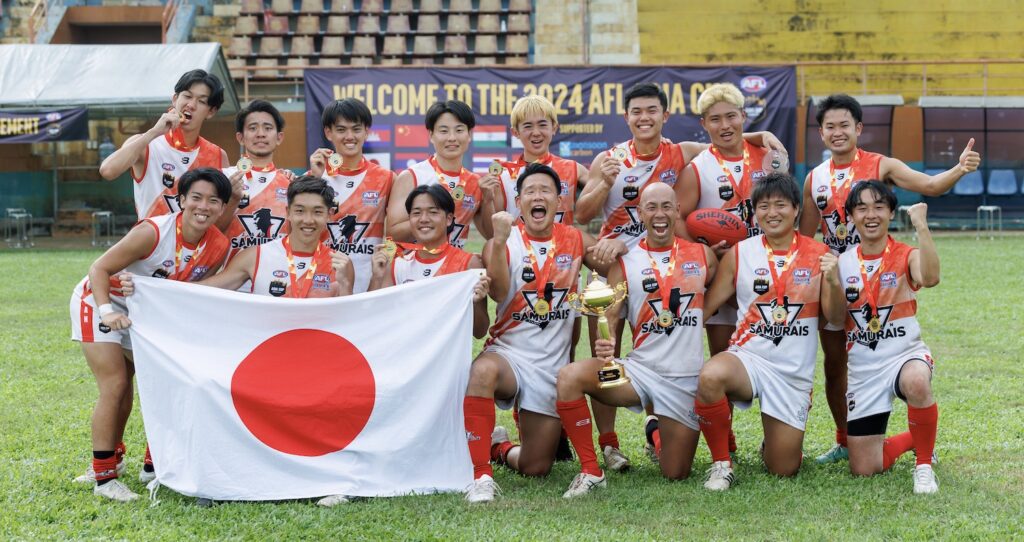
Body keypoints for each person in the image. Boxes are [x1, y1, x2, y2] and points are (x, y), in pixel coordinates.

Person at [574, 82, 785, 469]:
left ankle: (687, 428)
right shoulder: (609, 157)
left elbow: (724, 141)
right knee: (605, 350)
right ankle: (609, 443)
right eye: (636, 111)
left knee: (677, 345)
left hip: (671, 266)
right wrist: (604, 181)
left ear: (664, 115)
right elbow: (583, 213)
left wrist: (758, 134)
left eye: (652, 111)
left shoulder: (681, 152)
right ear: (626, 117)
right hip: (615, 267)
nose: (644, 118)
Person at [799, 94, 981, 464]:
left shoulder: (880, 164)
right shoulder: (814, 178)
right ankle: (844, 439)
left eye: (844, 125)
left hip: (882, 275)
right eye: (830, 126)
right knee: (835, 363)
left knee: (883, 348)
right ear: (821, 133)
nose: (837, 132)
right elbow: (804, 238)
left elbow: (929, 186)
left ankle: (910, 428)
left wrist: (959, 168)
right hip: (838, 278)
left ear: (858, 128)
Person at [462, 163, 626, 503]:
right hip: (509, 354)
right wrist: (498, 241)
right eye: (531, 192)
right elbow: (497, 291)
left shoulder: (575, 239)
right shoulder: (506, 240)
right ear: (519, 202)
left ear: (559, 200)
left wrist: (617, 249)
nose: (538, 196)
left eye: (546, 190)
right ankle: (480, 477)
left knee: (536, 466)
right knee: (482, 371)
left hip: (552, 368)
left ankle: (498, 445)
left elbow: (614, 265)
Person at [69, 168, 231, 501]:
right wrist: (107, 310)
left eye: (214, 200)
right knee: (115, 386)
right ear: (182, 199)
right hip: (100, 301)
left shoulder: (219, 245)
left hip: (144, 315)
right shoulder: (153, 232)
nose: (204, 206)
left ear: (222, 207)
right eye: (196, 197)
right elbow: (99, 268)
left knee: (161, 383)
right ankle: (103, 477)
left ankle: (151, 463)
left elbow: (188, 294)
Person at [554, 183, 717, 497]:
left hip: (684, 382)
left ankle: (655, 430)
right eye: (651, 207)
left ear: (678, 210)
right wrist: (606, 340)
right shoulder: (625, 263)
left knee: (675, 472)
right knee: (570, 377)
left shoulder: (702, 256)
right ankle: (591, 469)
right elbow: (611, 316)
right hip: (637, 375)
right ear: (640, 213)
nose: (660, 214)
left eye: (666, 206)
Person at [693, 172, 845, 491]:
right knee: (710, 377)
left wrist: (832, 281)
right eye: (763, 206)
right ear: (753, 211)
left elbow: (835, 317)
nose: (771, 213)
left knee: (783, 468)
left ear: (795, 210)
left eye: (780, 205)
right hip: (748, 359)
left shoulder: (820, 256)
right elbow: (708, 306)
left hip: (792, 374)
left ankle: (774, 444)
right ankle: (721, 464)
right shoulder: (740, 253)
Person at [838, 181, 941, 494]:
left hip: (904, 356)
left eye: (879, 207)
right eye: (862, 208)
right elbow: (831, 316)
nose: (871, 214)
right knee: (865, 468)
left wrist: (921, 226)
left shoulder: (905, 255)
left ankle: (923, 466)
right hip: (865, 370)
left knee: (917, 382)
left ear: (891, 213)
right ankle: (916, 438)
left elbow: (931, 277)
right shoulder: (841, 263)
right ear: (851, 216)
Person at [191, 176, 354, 298]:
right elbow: (205, 292)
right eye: (300, 211)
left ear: (329, 215)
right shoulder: (255, 256)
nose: (308, 220)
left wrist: (345, 285)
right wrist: (166, 290)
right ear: (288, 213)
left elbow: (346, 321)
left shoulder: (340, 264)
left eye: (317, 212)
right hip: (267, 343)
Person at [99, 70, 231, 220]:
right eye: (187, 96)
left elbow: (222, 213)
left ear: (211, 111)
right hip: (152, 240)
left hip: (195, 243)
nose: (191, 105)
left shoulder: (218, 155)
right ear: (175, 99)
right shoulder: (146, 143)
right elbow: (107, 170)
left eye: (201, 101)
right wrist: (154, 132)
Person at [369, 184, 491, 338]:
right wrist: (377, 277)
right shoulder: (397, 263)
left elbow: (480, 332)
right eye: (416, 213)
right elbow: (374, 319)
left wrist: (475, 303)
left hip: (448, 359)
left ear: (448, 219)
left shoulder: (469, 264)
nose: (424, 219)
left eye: (433, 212)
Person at [309, 98, 395, 294]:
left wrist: (385, 264)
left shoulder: (386, 178)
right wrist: (317, 179)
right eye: (341, 130)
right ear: (328, 132)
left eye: (356, 129)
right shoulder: (312, 177)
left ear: (367, 131)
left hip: (369, 284)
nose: (349, 136)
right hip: (323, 284)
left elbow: (396, 234)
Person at [386, 100, 498, 248]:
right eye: (444, 131)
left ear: (469, 134)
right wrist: (433, 217)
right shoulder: (411, 176)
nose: (452, 138)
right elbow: (392, 232)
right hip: (416, 265)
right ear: (431, 135)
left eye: (459, 130)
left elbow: (491, 236)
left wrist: (488, 200)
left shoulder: (475, 183)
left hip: (454, 267)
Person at [222, 100, 295, 271]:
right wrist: (232, 200)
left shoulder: (292, 184)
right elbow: (211, 231)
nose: (260, 134)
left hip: (277, 279)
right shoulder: (223, 178)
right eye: (253, 128)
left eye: (268, 128)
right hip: (233, 285)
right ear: (240, 137)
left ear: (279, 138)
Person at [493, 94, 589, 226]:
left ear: (554, 128)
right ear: (515, 132)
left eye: (542, 125)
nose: (536, 132)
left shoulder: (573, 168)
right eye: (528, 126)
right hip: (519, 247)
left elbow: (607, 195)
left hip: (563, 246)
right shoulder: (503, 175)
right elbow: (494, 230)